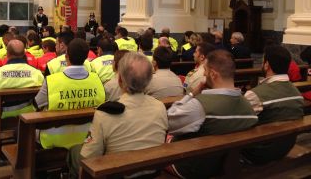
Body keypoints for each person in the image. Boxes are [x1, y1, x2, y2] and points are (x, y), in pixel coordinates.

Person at [67, 52, 168, 178]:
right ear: (148, 80)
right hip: (151, 172)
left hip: (116, 174)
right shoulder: (160, 107)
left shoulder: (105, 112)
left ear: (120, 80)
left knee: (76, 151)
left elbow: (89, 156)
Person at [167, 49, 258, 178]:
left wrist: (192, 94)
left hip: (192, 168)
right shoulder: (249, 106)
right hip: (225, 166)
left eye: (205, 70)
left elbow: (169, 121)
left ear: (213, 74)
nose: (204, 74)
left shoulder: (200, 106)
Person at [34, 38, 105, 150]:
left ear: (66, 56)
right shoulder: (97, 80)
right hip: (87, 137)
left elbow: (36, 105)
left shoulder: (52, 81)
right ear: (86, 57)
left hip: (54, 139)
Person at [243, 45, 304, 164]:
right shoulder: (297, 94)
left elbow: (239, 124)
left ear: (267, 65)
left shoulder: (254, 95)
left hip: (257, 153)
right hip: (285, 148)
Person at [0, 39, 44, 120]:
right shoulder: (37, 73)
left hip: (1, 115)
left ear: (7, 54)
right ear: (24, 54)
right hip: (28, 114)